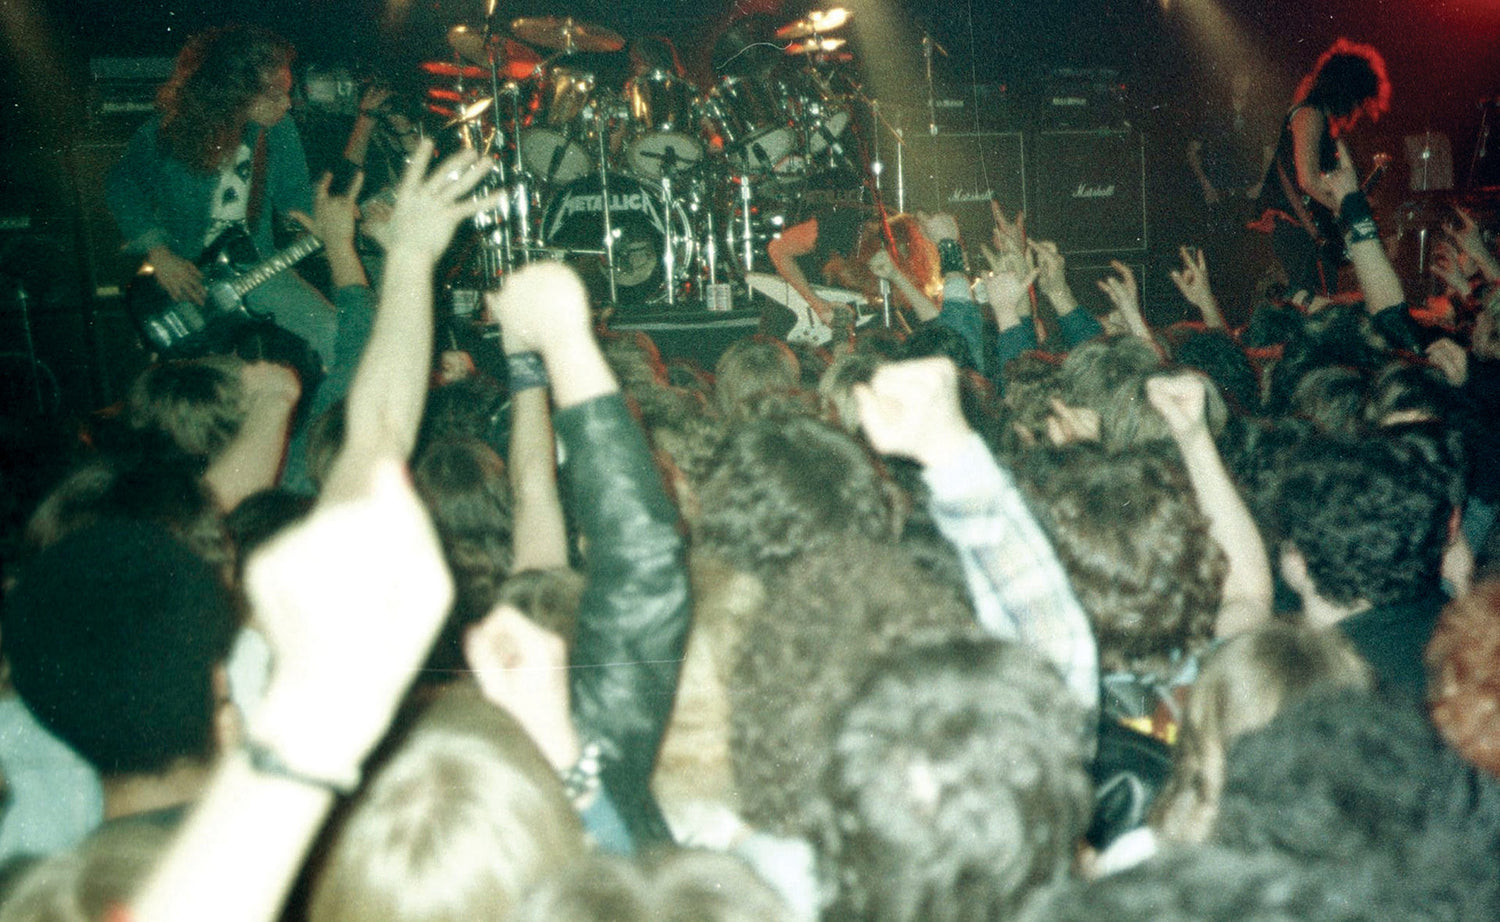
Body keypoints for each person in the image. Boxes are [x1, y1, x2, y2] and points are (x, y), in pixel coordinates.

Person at [104, 25, 359, 364]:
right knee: (206, 375)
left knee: (335, 333)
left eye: (287, 92)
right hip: (186, 277)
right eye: (274, 95)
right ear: (234, 91)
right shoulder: (169, 130)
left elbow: (295, 199)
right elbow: (121, 185)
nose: (286, 104)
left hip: (256, 266)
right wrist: (160, 254)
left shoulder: (279, 131)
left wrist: (330, 215)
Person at [1252, 38, 1391, 304]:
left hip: (1302, 229)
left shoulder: (1317, 116)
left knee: (1317, 303)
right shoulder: (1309, 115)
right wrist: (1349, 211)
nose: (1357, 109)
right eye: (1358, 100)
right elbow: (1308, 181)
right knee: (1316, 305)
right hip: (1298, 230)